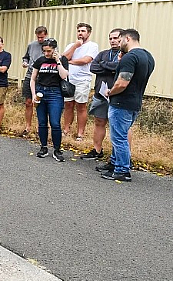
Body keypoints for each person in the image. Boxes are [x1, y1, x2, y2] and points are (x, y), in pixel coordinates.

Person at [101, 29, 155, 182]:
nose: (118, 43)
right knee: (120, 135)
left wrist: (110, 92)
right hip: (135, 102)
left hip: (121, 103)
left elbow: (122, 82)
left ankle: (122, 170)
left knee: (119, 137)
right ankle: (114, 163)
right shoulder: (148, 57)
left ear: (128, 39)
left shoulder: (130, 57)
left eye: (121, 40)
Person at [81, 28, 122, 160]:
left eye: (115, 38)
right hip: (100, 94)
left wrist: (104, 66)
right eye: (110, 38)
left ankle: (121, 156)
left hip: (117, 94)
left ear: (123, 38)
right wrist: (110, 67)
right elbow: (93, 67)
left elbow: (119, 68)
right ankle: (97, 150)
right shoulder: (103, 53)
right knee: (99, 121)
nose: (113, 41)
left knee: (120, 126)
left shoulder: (126, 55)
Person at [30, 39, 69, 162]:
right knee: (42, 122)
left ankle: (57, 149)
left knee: (55, 123)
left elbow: (64, 75)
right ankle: (43, 147)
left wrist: (58, 61)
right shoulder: (40, 61)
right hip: (41, 91)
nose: (47, 54)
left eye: (49, 51)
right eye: (44, 51)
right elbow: (33, 79)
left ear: (55, 49)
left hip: (55, 93)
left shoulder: (62, 60)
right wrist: (33, 95)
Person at [62, 23, 99, 140]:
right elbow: (63, 58)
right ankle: (66, 129)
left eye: (83, 31)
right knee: (68, 104)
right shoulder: (71, 45)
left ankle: (80, 133)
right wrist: (75, 47)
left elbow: (86, 60)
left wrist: (71, 62)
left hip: (83, 80)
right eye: (78, 31)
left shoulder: (93, 46)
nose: (80, 33)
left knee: (81, 106)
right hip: (69, 79)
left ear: (88, 33)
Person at [21, 26, 48, 135]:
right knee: (28, 102)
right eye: (38, 37)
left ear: (46, 35)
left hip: (44, 77)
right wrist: (24, 62)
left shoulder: (50, 45)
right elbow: (26, 57)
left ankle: (42, 126)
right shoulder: (32, 45)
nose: (40, 39)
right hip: (30, 75)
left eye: (42, 37)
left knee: (42, 103)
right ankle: (28, 126)